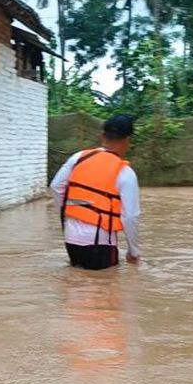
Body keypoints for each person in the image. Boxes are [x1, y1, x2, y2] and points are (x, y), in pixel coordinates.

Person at [50, 115, 142, 269]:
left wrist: (70, 215)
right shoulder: (125, 172)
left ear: (102, 136)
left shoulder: (78, 157)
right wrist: (133, 251)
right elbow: (130, 216)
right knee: (105, 288)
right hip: (100, 242)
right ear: (127, 141)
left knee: (77, 284)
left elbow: (55, 187)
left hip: (71, 237)